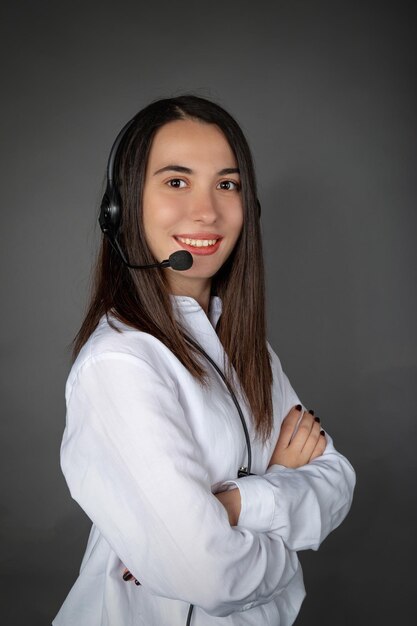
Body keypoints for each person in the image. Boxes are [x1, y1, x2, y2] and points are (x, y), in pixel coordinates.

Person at [52, 95, 355, 626]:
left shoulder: (248, 350)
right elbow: (214, 577)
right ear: (122, 207)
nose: (207, 210)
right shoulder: (119, 365)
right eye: (175, 181)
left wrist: (237, 504)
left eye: (227, 184)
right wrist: (285, 508)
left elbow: (338, 481)